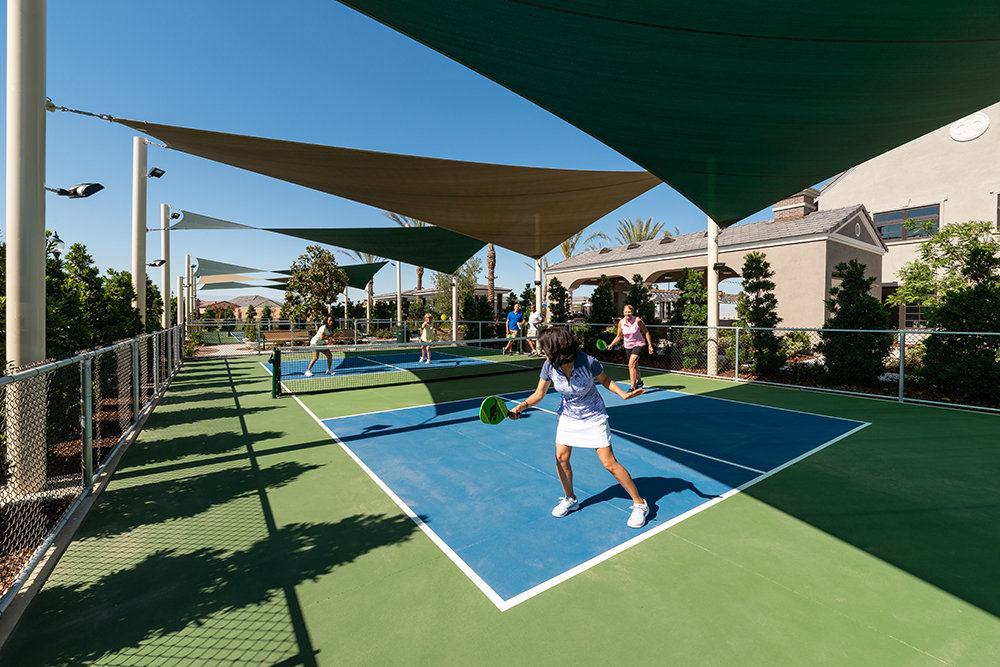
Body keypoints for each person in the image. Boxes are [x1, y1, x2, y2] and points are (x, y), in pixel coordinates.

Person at [508, 326, 649, 528]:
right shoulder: (549, 366)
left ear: (558, 349)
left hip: (594, 415)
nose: (543, 353)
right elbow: (539, 395)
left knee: (609, 463)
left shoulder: (587, 361)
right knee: (561, 457)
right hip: (568, 416)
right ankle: (570, 499)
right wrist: (520, 407)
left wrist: (624, 394)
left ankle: (640, 504)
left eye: (546, 349)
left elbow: (605, 380)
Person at [608, 303, 654, 392]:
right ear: (623, 312)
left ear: (632, 312)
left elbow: (646, 332)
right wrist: (611, 344)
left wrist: (650, 345)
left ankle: (633, 387)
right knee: (634, 365)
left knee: (631, 364)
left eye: (629, 312)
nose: (627, 314)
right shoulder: (621, 322)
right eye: (626, 312)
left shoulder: (638, 320)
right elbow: (618, 336)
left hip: (639, 344)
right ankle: (640, 382)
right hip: (627, 346)